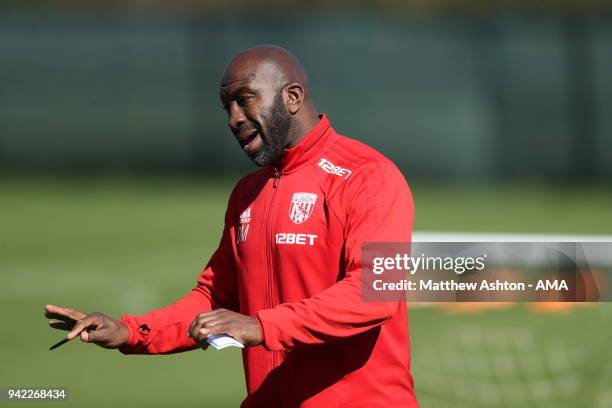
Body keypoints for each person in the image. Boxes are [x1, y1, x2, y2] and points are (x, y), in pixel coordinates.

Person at [45, 45, 418, 407]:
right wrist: (131, 332)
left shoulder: (368, 176)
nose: (234, 118)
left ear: (292, 97)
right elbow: (215, 297)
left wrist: (261, 325)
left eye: (245, 99)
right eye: (228, 106)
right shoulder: (247, 193)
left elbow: (374, 293)